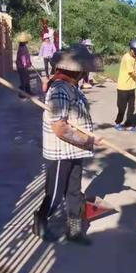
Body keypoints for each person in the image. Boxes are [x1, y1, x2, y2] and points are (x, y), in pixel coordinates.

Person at [32, 49, 102, 244]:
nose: (85, 74)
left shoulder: (72, 87)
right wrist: (88, 140)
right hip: (60, 153)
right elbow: (60, 128)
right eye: (83, 71)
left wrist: (87, 139)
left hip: (75, 151)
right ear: (75, 72)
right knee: (54, 195)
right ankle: (39, 222)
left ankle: (74, 231)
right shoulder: (59, 90)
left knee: (74, 193)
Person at [114, 38, 136, 132]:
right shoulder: (127, 58)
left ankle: (128, 124)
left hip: (131, 86)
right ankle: (118, 123)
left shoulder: (135, 57)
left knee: (131, 107)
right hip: (123, 87)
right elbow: (132, 73)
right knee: (122, 107)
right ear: (132, 50)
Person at [16, 32, 32, 98]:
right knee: (23, 80)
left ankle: (28, 92)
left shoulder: (24, 46)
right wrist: (26, 65)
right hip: (22, 67)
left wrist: (29, 62)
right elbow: (23, 58)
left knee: (26, 79)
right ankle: (22, 94)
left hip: (23, 66)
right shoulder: (22, 48)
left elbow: (27, 56)